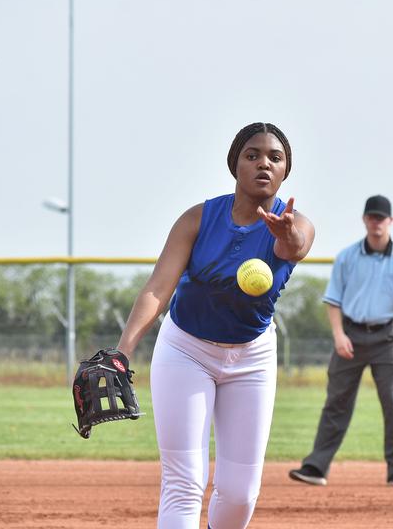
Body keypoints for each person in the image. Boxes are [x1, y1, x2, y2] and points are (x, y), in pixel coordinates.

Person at [115, 122, 315, 529]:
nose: (264, 163)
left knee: (241, 494)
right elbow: (157, 289)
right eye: (252, 154)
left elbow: (295, 246)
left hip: (253, 358)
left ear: (285, 172)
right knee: (184, 483)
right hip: (186, 350)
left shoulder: (294, 223)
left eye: (275, 158)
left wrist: (288, 232)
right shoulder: (197, 219)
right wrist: (123, 351)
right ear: (235, 164)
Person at [288, 194, 393, 487]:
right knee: (336, 401)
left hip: (388, 336)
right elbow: (333, 300)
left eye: (381, 218)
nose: (376, 222)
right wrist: (339, 335)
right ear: (365, 220)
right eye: (372, 217)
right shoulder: (347, 257)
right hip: (350, 334)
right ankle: (316, 467)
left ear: (390, 221)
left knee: (391, 403)